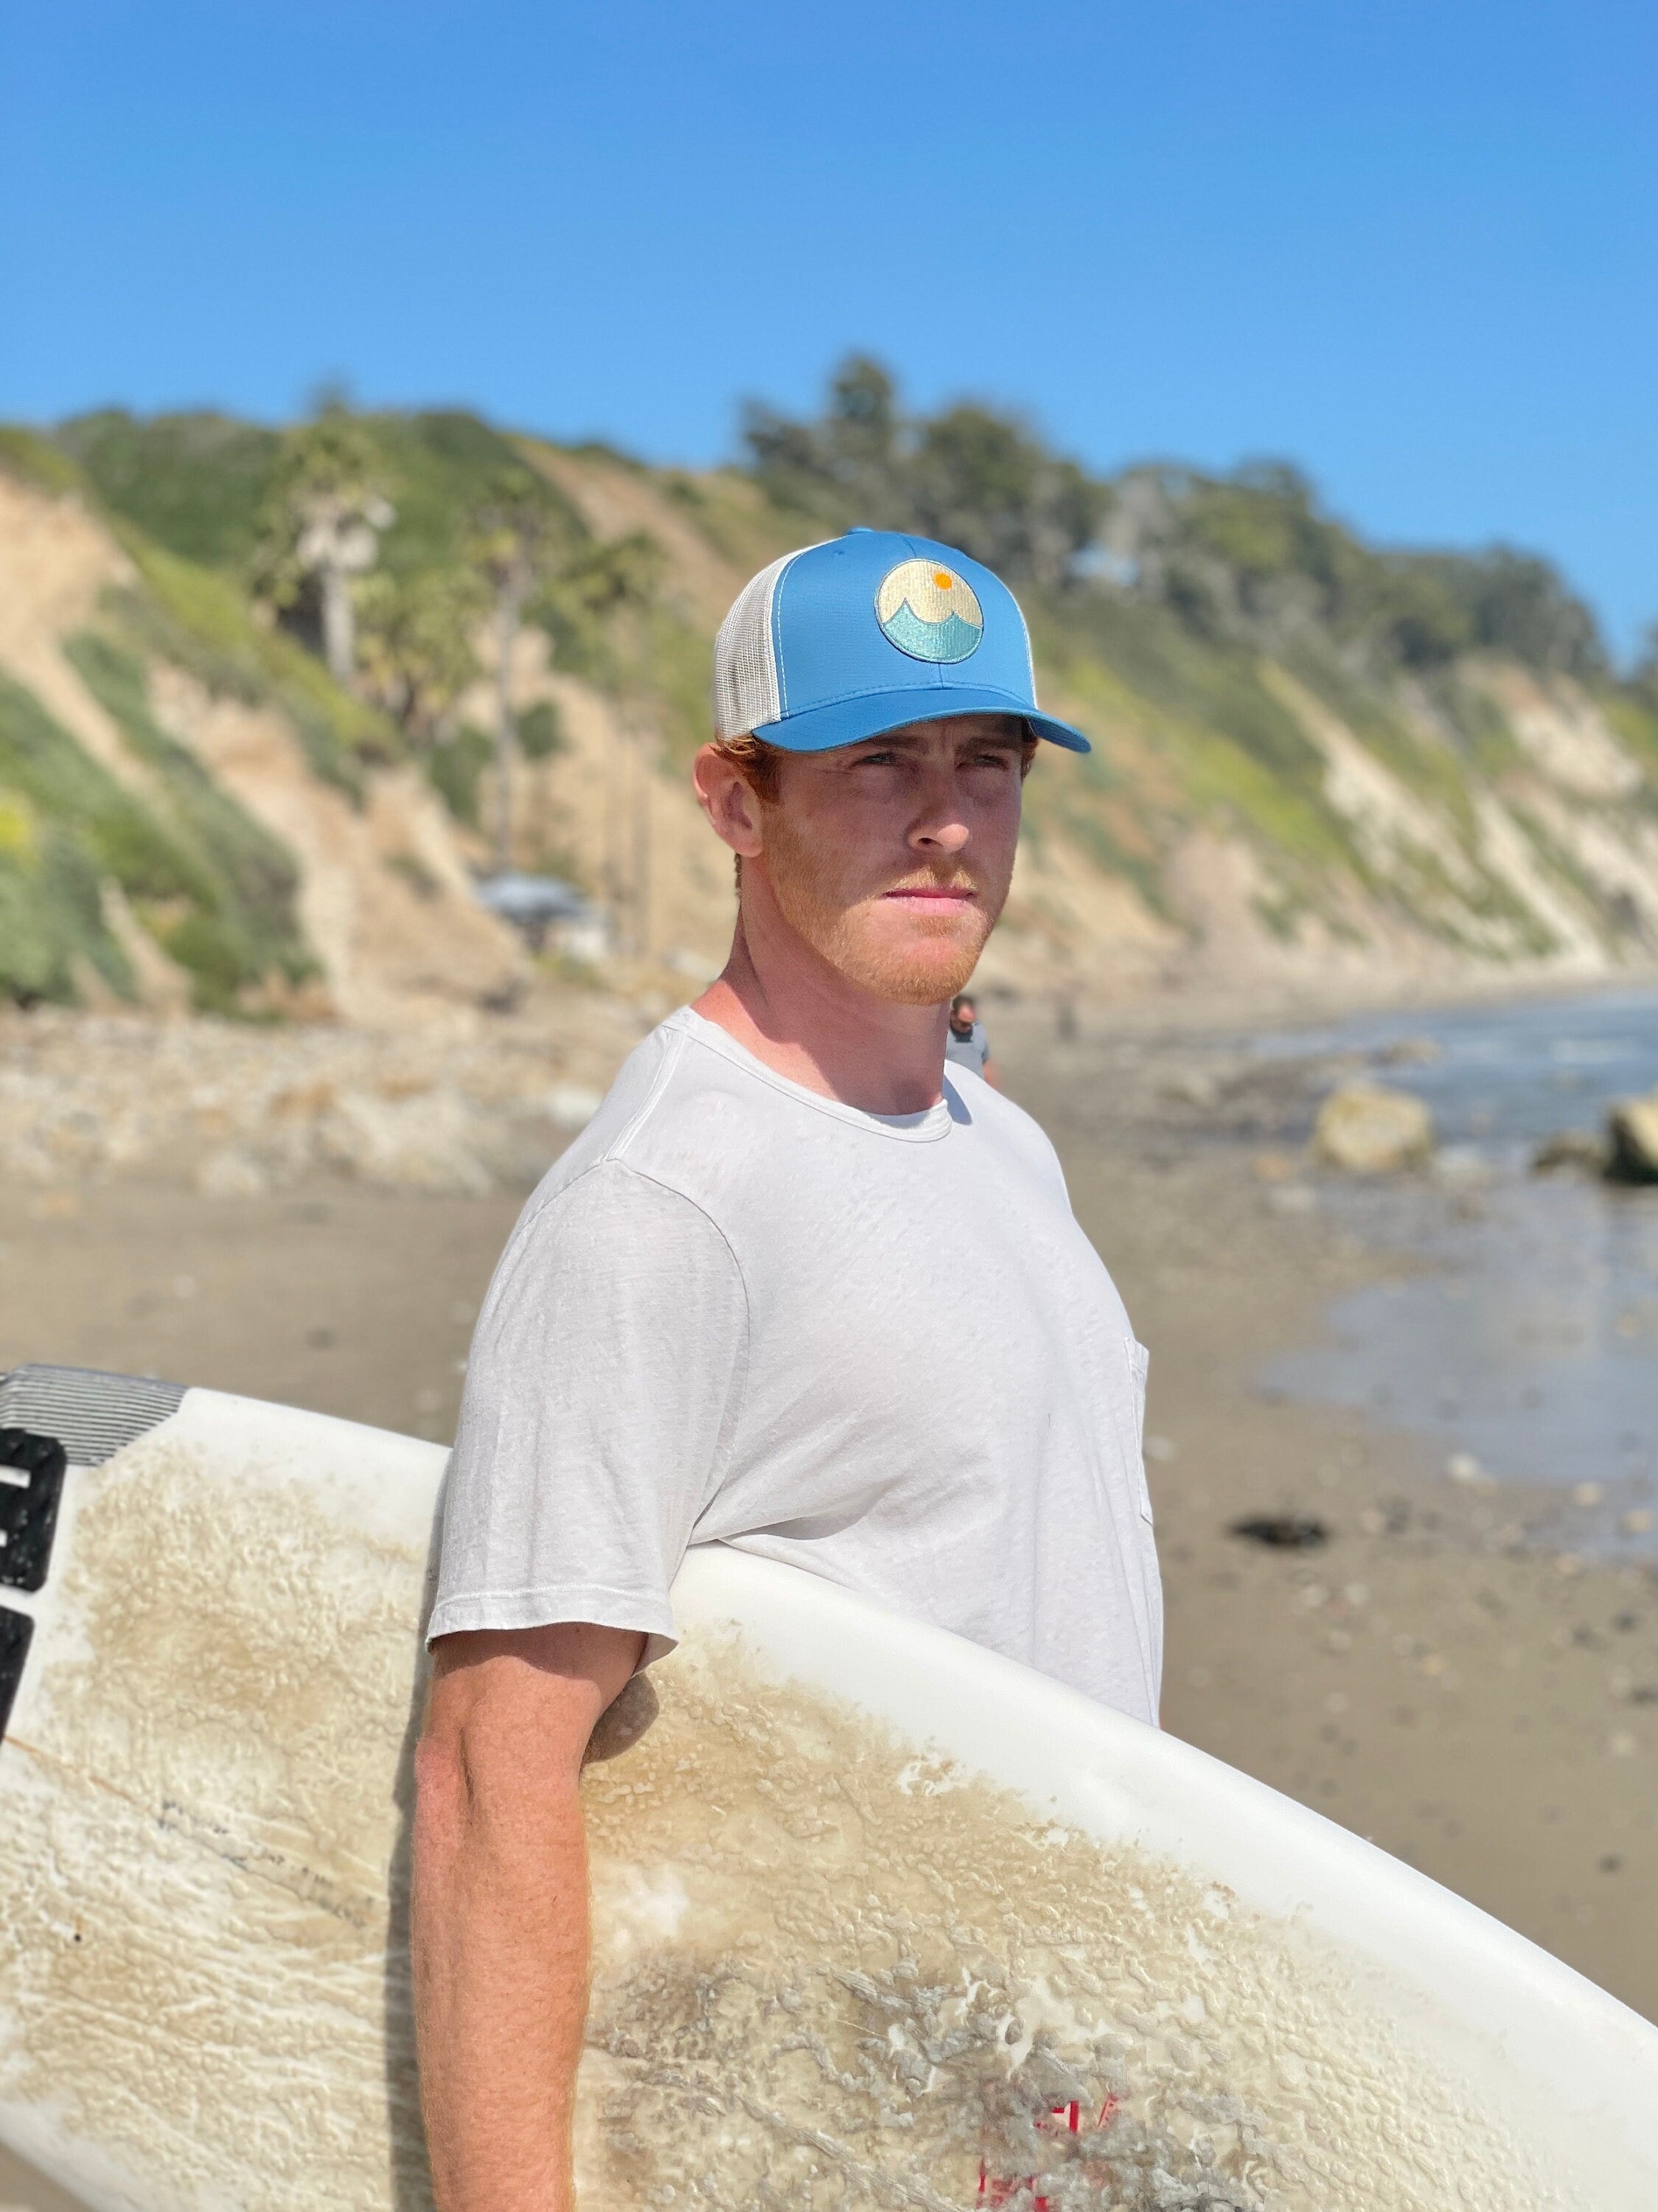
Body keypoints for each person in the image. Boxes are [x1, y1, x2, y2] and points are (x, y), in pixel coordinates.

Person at [411, 529, 1162, 2212]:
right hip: (822, 2136)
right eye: (877, 759)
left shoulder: (999, 1135)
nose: (947, 819)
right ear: (734, 800)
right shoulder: (662, 1203)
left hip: (1038, 2112)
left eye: (988, 760)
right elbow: (489, 1766)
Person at [945, 990, 997, 1085]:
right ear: (953, 1015)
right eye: (964, 1024)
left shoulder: (978, 1029)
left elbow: (985, 1063)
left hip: (978, 1090)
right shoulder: (942, 1034)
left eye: (971, 1023)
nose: (968, 1028)